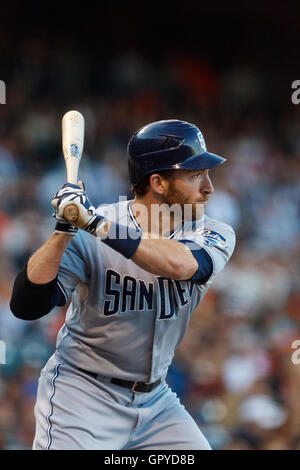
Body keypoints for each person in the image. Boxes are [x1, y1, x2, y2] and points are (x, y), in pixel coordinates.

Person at [10, 119, 236, 450]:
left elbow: (181, 264)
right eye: (195, 175)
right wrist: (62, 232)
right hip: (84, 394)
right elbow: (27, 305)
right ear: (158, 182)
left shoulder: (214, 231)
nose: (209, 187)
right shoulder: (91, 228)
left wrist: (93, 223)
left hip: (156, 401)